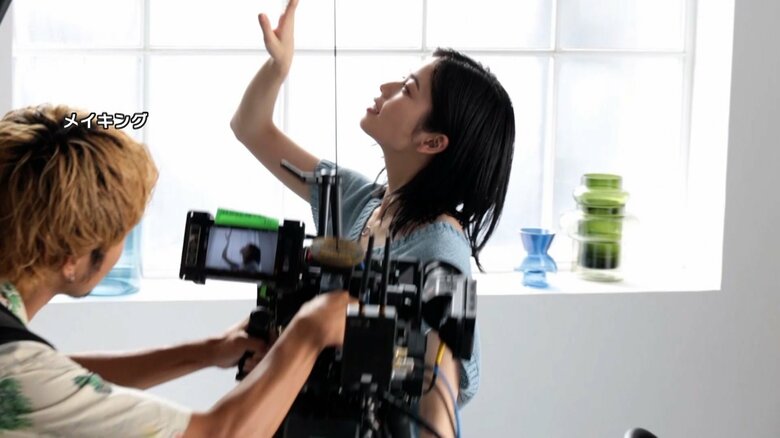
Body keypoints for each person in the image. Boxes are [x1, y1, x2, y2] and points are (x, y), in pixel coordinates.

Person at [231, 0, 515, 436]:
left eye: (408, 89)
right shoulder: (354, 198)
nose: (386, 87)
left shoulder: (444, 252)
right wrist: (278, 68)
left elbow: (442, 394)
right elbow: (250, 128)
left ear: (432, 142)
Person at [0, 104, 353, 437]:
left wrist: (208, 351)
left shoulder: (18, 359)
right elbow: (219, 434)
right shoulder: (19, 368)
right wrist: (308, 333)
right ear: (72, 259)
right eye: (121, 233)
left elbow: (59, 377)